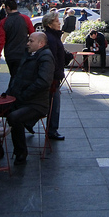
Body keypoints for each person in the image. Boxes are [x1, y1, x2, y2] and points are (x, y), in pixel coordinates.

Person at [6, 32, 55, 165]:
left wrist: (23, 95)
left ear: (40, 44)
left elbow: (43, 82)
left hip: (36, 104)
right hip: (20, 99)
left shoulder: (45, 57)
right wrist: (9, 94)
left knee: (14, 118)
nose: (28, 43)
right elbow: (17, 77)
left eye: (31, 41)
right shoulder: (28, 54)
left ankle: (21, 153)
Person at [0, 0, 34, 81]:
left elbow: (0, 41)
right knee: (20, 77)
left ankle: (12, 92)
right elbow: (33, 35)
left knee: (14, 76)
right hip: (24, 52)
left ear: (8, 8)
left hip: (10, 54)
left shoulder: (4, 22)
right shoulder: (25, 19)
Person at [42, 12, 66, 141]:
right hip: (53, 77)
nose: (59, 23)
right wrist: (57, 74)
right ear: (50, 24)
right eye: (57, 21)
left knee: (50, 103)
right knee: (54, 104)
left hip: (54, 75)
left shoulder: (54, 37)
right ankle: (52, 130)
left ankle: (28, 122)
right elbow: (53, 59)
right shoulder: (51, 38)